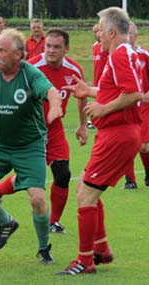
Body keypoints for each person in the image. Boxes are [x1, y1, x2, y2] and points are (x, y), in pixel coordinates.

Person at [0, 28, 63, 264]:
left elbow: (51, 91)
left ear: (18, 55)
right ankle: (5, 221)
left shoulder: (29, 74)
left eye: (2, 50)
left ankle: (44, 247)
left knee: (37, 199)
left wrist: (55, 107)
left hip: (30, 146)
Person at [57, 7, 143, 275]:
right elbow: (120, 91)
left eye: (100, 31)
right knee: (85, 184)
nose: (98, 38)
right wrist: (90, 91)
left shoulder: (119, 55)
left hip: (117, 133)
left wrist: (103, 109)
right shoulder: (128, 54)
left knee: (86, 194)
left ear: (111, 32)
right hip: (121, 132)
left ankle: (85, 261)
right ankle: (101, 249)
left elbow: (132, 94)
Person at [0, 29, 88, 234]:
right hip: (29, 132)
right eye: (48, 47)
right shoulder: (31, 67)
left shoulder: (74, 71)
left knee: (63, 173)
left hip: (54, 130)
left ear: (66, 49)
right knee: (28, 178)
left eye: (56, 47)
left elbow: (82, 96)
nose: (51, 51)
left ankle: (54, 221)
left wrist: (82, 125)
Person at [123, 21, 149, 189]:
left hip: (145, 106)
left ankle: (147, 171)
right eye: (125, 34)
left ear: (135, 35)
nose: (127, 37)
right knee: (126, 143)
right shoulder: (119, 56)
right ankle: (130, 180)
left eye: (130, 34)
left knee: (143, 146)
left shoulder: (145, 55)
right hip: (126, 105)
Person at [88, 23, 109, 130]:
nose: (97, 34)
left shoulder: (107, 47)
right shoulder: (95, 46)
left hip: (105, 79)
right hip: (97, 78)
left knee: (104, 99)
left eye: (98, 31)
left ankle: (97, 120)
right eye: (95, 32)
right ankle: (94, 120)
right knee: (98, 99)